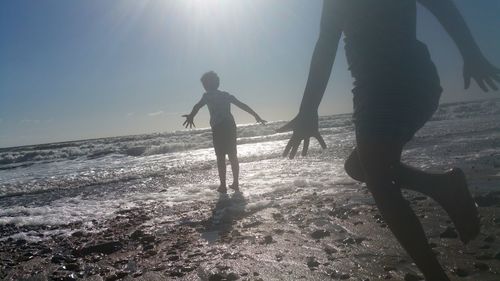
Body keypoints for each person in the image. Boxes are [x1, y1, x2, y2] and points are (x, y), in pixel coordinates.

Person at [279, 1, 499, 280]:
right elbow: (326, 43)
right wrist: (308, 109)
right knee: (359, 168)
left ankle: (435, 275)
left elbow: (441, 6)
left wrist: (472, 53)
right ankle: (442, 185)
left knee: (378, 180)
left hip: (400, 79)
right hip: (380, 88)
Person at [183, 71, 266, 193]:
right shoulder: (226, 95)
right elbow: (242, 105)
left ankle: (223, 185)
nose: (204, 86)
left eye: (204, 84)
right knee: (233, 155)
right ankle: (236, 183)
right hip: (230, 126)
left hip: (218, 128)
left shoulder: (207, 96)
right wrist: (255, 115)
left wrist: (191, 116)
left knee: (220, 157)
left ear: (208, 84)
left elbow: (197, 106)